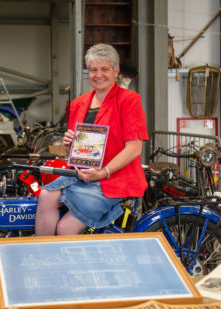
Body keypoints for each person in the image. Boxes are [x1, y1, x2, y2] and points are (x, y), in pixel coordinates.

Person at [35, 44, 148, 236]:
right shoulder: (78, 103)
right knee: (45, 195)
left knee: (65, 228)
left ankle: (70, 264)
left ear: (116, 71)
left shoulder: (129, 100)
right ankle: (44, 259)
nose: (98, 75)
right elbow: (77, 151)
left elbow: (135, 148)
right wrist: (69, 144)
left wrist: (104, 172)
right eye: (93, 70)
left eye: (105, 69)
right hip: (82, 175)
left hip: (113, 180)